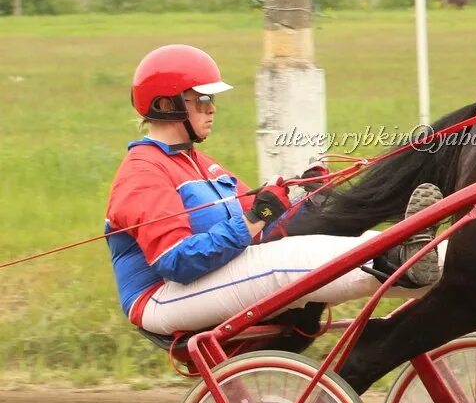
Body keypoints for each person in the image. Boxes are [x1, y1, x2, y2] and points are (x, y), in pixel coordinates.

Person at [106, 44, 447, 338]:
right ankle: (397, 262)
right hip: (162, 297)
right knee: (283, 265)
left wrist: (302, 195)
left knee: (307, 243)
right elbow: (178, 261)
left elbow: (266, 221)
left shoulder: (200, 164)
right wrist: (257, 216)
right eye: (202, 99)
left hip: (212, 275)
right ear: (167, 106)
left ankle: (437, 255)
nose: (212, 108)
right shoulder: (142, 172)